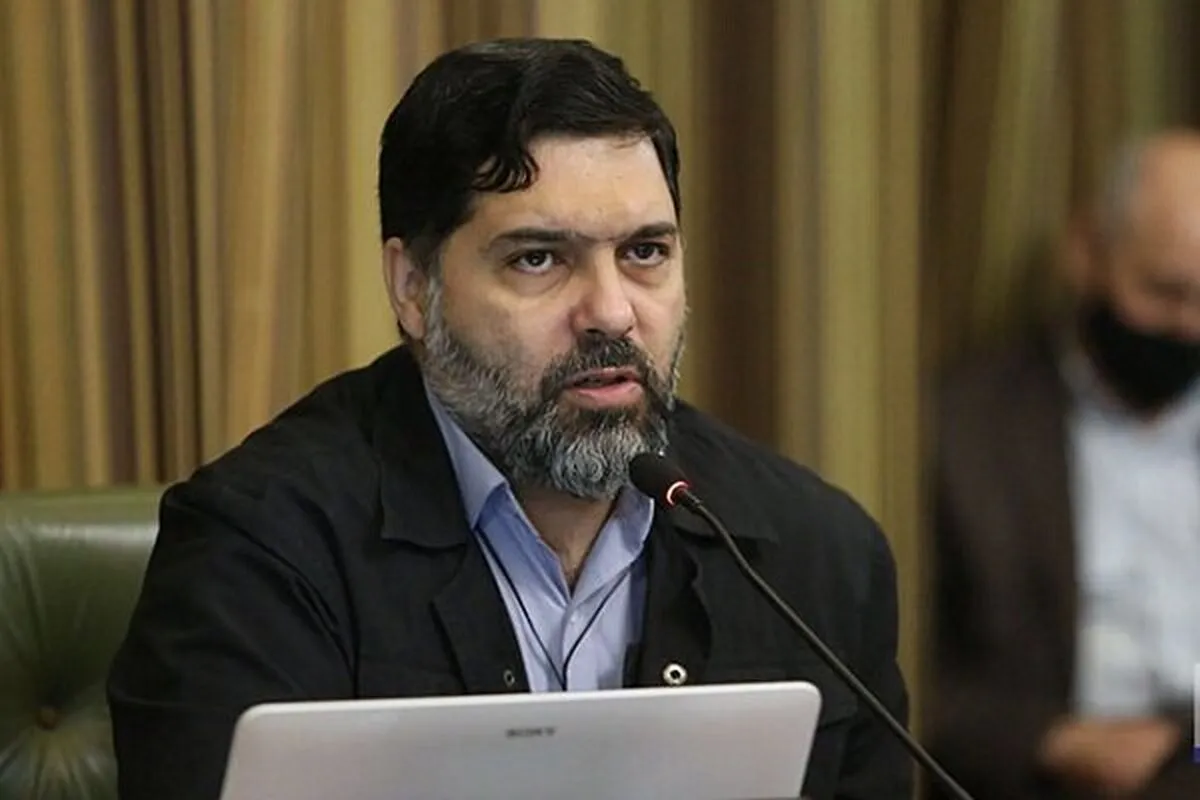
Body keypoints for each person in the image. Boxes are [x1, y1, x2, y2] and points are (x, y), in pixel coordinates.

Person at [107, 38, 911, 800]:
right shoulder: (260, 554)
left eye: (645, 253)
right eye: (539, 259)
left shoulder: (816, 558)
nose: (611, 313)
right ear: (413, 288)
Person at [927, 130, 1200, 799]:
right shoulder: (969, 426)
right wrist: (1053, 740)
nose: (1191, 326)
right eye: (1166, 292)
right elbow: (908, 671)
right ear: (1088, 253)